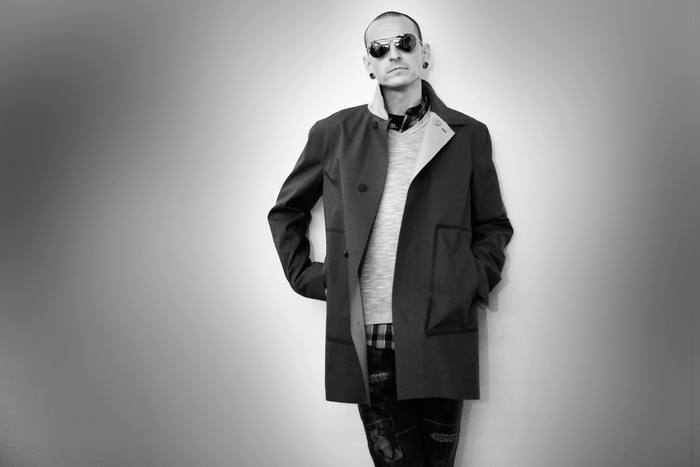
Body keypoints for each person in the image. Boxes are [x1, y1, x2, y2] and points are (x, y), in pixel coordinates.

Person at [268, 11, 513, 466]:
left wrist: (468, 282)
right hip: (369, 336)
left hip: (439, 329)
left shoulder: (467, 135)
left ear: (424, 54)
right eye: (379, 49)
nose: (393, 54)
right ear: (368, 63)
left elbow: (493, 226)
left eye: (404, 43)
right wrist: (314, 277)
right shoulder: (334, 134)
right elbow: (286, 212)